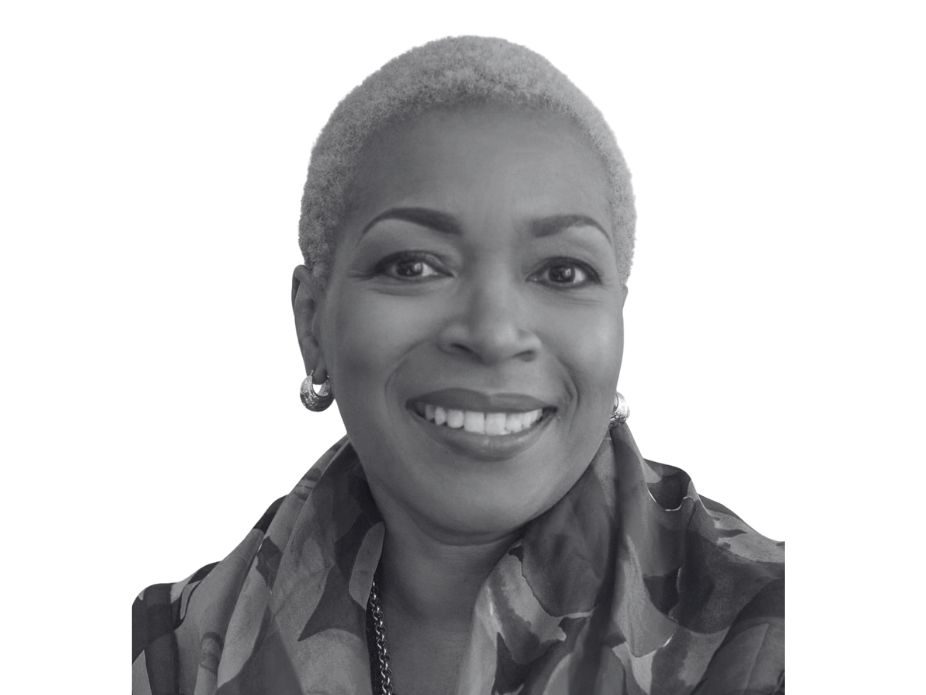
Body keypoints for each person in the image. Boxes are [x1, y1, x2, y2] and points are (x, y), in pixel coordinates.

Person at [132, 36, 784, 695]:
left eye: (562, 271)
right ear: (312, 323)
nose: (494, 334)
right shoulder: (159, 660)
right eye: (412, 265)